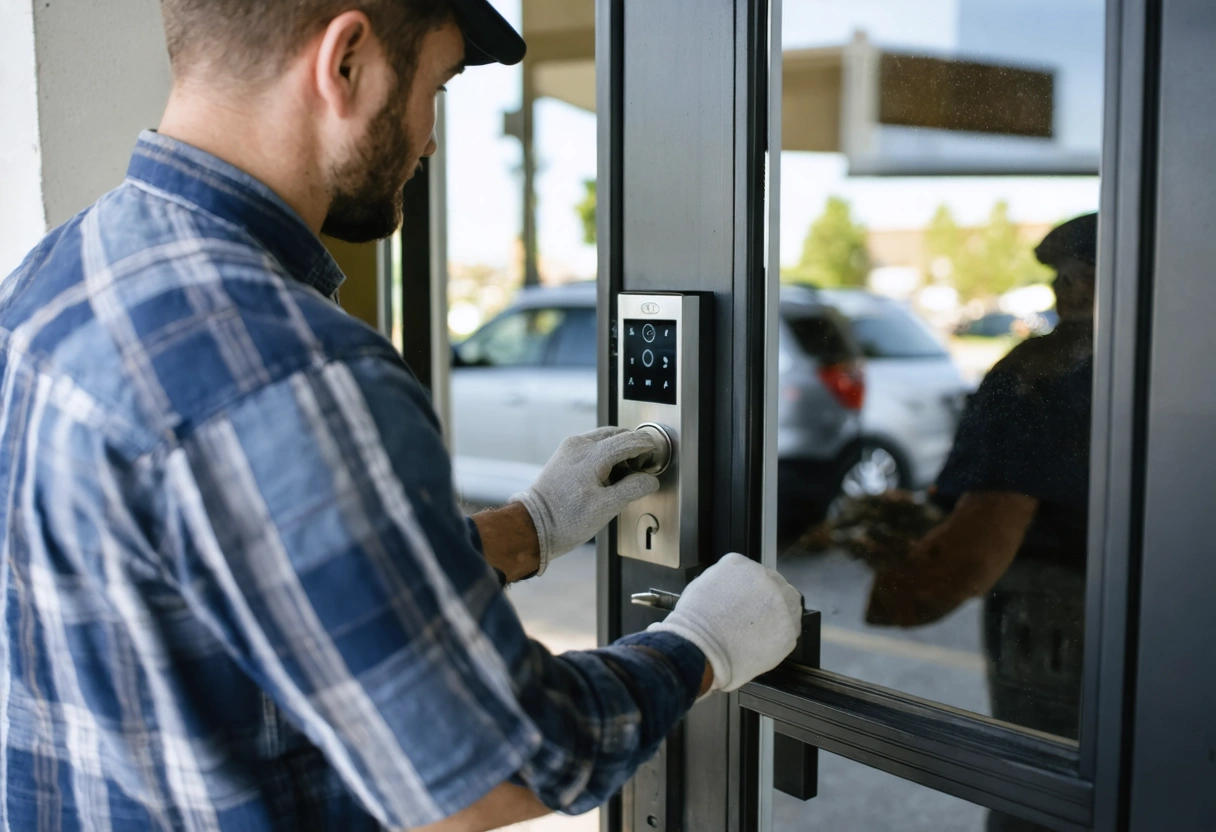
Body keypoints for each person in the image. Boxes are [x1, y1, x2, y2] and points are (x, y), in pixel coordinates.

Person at [0, 2, 804, 830]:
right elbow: (484, 776)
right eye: (438, 87)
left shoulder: (50, 280)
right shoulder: (295, 369)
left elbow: (246, 583)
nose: (430, 139)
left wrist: (530, 527)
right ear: (344, 62)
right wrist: (703, 644)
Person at [861, 213, 1097, 831]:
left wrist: (897, 580)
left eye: (1072, 274)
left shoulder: (1044, 371)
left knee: (1042, 797)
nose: (1060, 289)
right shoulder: (1179, 366)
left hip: (1057, 627)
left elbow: (974, 549)